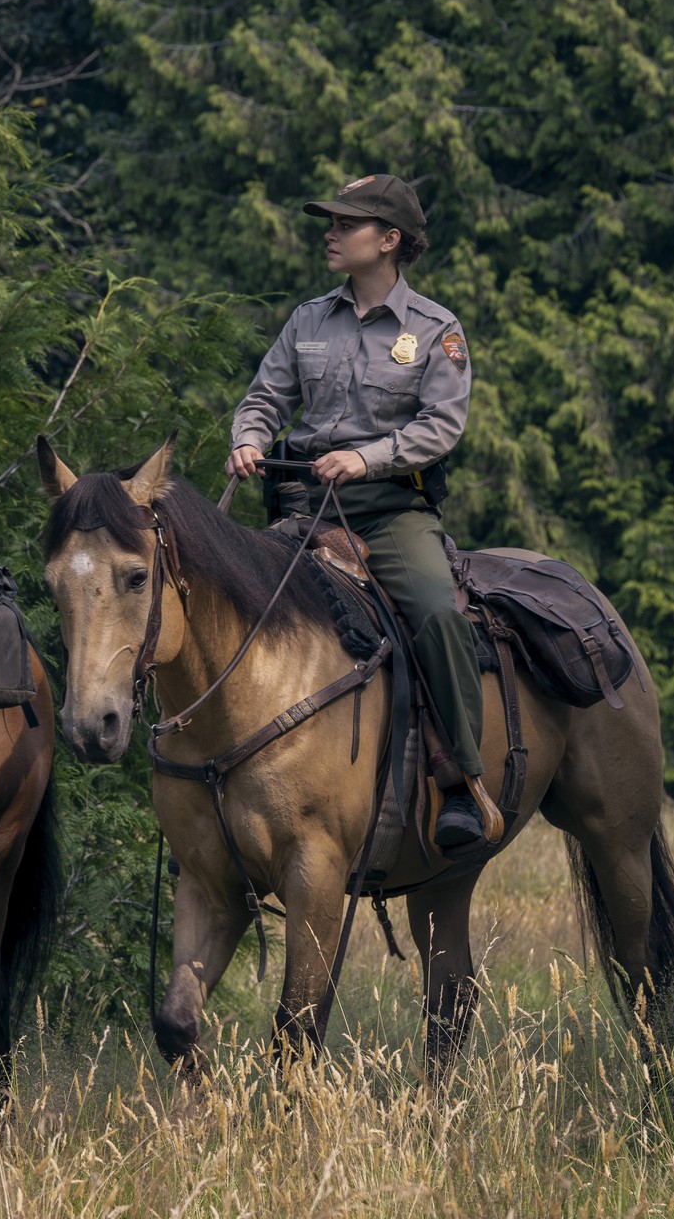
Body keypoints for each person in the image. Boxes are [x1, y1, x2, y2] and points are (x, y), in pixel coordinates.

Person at [227, 173, 489, 852]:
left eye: (347, 223)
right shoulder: (308, 320)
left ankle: (458, 779)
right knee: (230, 603)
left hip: (389, 511)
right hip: (306, 509)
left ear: (391, 239)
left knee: (436, 611)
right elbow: (265, 396)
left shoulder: (437, 331)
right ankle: (220, 792)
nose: (331, 233)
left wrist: (366, 458)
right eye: (331, 222)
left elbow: (442, 426)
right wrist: (249, 437)